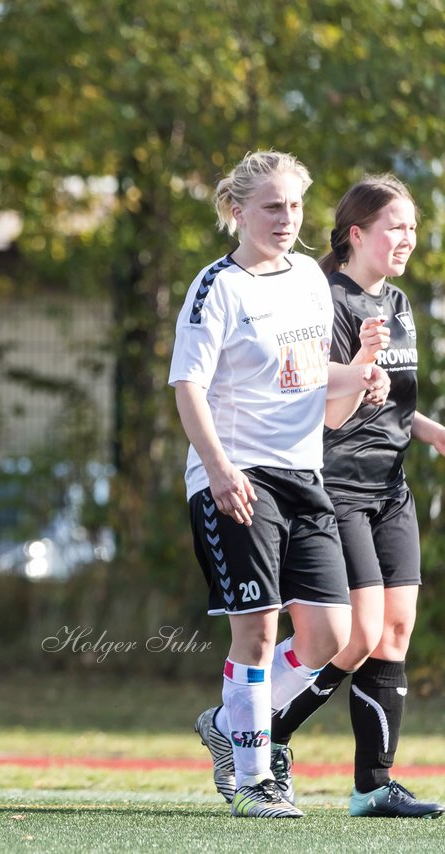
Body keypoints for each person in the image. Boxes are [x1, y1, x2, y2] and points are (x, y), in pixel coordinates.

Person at [169, 150, 390, 818]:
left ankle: (230, 725)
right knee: (258, 634)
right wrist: (218, 468)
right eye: (271, 206)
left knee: (331, 636)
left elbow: (312, 381)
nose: (286, 219)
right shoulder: (218, 286)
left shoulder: (308, 280)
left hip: (304, 475)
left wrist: (362, 375)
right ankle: (257, 777)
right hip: (237, 476)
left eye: (294, 206)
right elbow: (187, 385)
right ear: (236, 211)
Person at [265, 175, 444, 818]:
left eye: (413, 228)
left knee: (394, 632)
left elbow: (391, 408)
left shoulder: (397, 303)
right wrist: (358, 372)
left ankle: (372, 785)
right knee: (359, 633)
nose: (408, 239)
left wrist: (433, 433)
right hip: (333, 483)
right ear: (356, 233)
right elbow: (329, 415)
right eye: (396, 227)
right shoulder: (325, 300)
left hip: (390, 485)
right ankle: (261, 734)